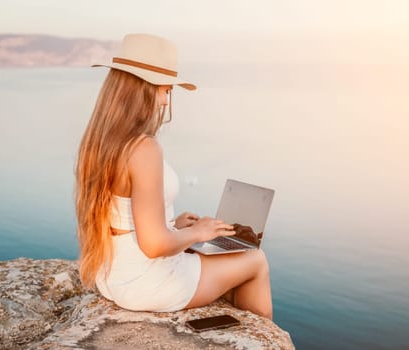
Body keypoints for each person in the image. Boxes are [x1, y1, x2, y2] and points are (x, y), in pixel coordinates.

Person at [75, 34, 272, 319]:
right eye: (164, 90)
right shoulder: (143, 148)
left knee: (216, 257)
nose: (166, 101)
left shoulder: (101, 139)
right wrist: (198, 233)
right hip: (146, 283)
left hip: (113, 276)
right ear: (142, 89)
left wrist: (173, 225)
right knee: (255, 260)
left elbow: (122, 219)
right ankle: (261, 340)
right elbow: (154, 245)